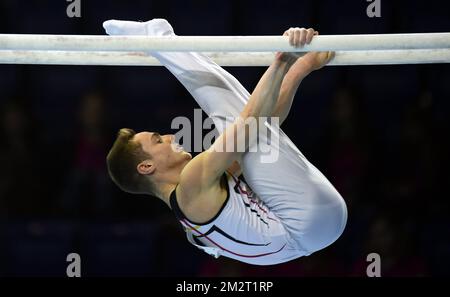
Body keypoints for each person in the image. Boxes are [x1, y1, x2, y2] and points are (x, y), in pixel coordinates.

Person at [104, 19, 347, 265]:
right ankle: (159, 37)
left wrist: (301, 66)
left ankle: (160, 41)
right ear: (146, 167)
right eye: (158, 141)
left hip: (316, 228)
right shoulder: (190, 189)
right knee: (232, 117)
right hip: (304, 223)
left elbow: (263, 128)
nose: (170, 137)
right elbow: (250, 121)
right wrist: (284, 59)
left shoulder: (202, 193)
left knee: (247, 136)